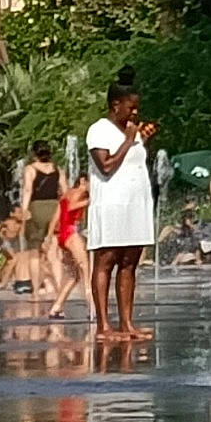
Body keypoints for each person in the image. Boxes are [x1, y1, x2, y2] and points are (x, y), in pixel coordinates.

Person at [87, 67, 156, 340]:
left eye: (137, 107)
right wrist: (128, 141)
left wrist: (140, 139)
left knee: (129, 263)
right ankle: (104, 326)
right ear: (116, 105)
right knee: (106, 261)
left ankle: (127, 323)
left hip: (135, 205)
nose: (135, 112)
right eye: (131, 107)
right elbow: (105, 166)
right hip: (111, 205)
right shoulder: (99, 130)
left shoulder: (133, 131)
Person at [17, 144, 63, 300]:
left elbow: (28, 190)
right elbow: (65, 191)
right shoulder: (57, 169)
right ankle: (59, 291)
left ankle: (36, 292)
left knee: (34, 253)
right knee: (54, 253)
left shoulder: (30, 169)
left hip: (36, 209)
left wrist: (24, 211)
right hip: (55, 208)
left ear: (34, 154)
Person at [48, 176, 90, 317]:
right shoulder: (79, 193)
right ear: (83, 181)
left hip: (62, 235)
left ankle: (57, 307)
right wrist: (90, 201)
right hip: (71, 232)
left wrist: (49, 236)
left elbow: (55, 218)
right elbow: (72, 206)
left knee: (74, 275)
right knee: (85, 269)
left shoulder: (66, 194)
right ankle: (93, 307)